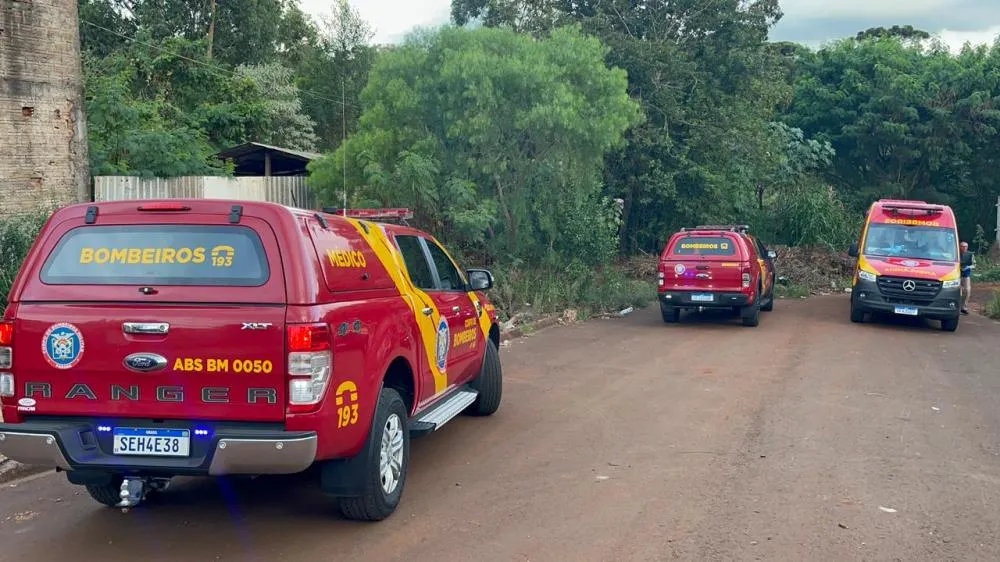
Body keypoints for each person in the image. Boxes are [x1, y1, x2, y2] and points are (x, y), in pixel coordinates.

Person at [960, 241, 975, 315]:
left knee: (967, 290)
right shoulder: (956, 254)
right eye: (962, 246)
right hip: (957, 275)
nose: (964, 248)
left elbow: (974, 265)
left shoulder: (970, 255)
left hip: (966, 275)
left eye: (965, 246)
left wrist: (968, 267)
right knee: (958, 291)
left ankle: (964, 307)